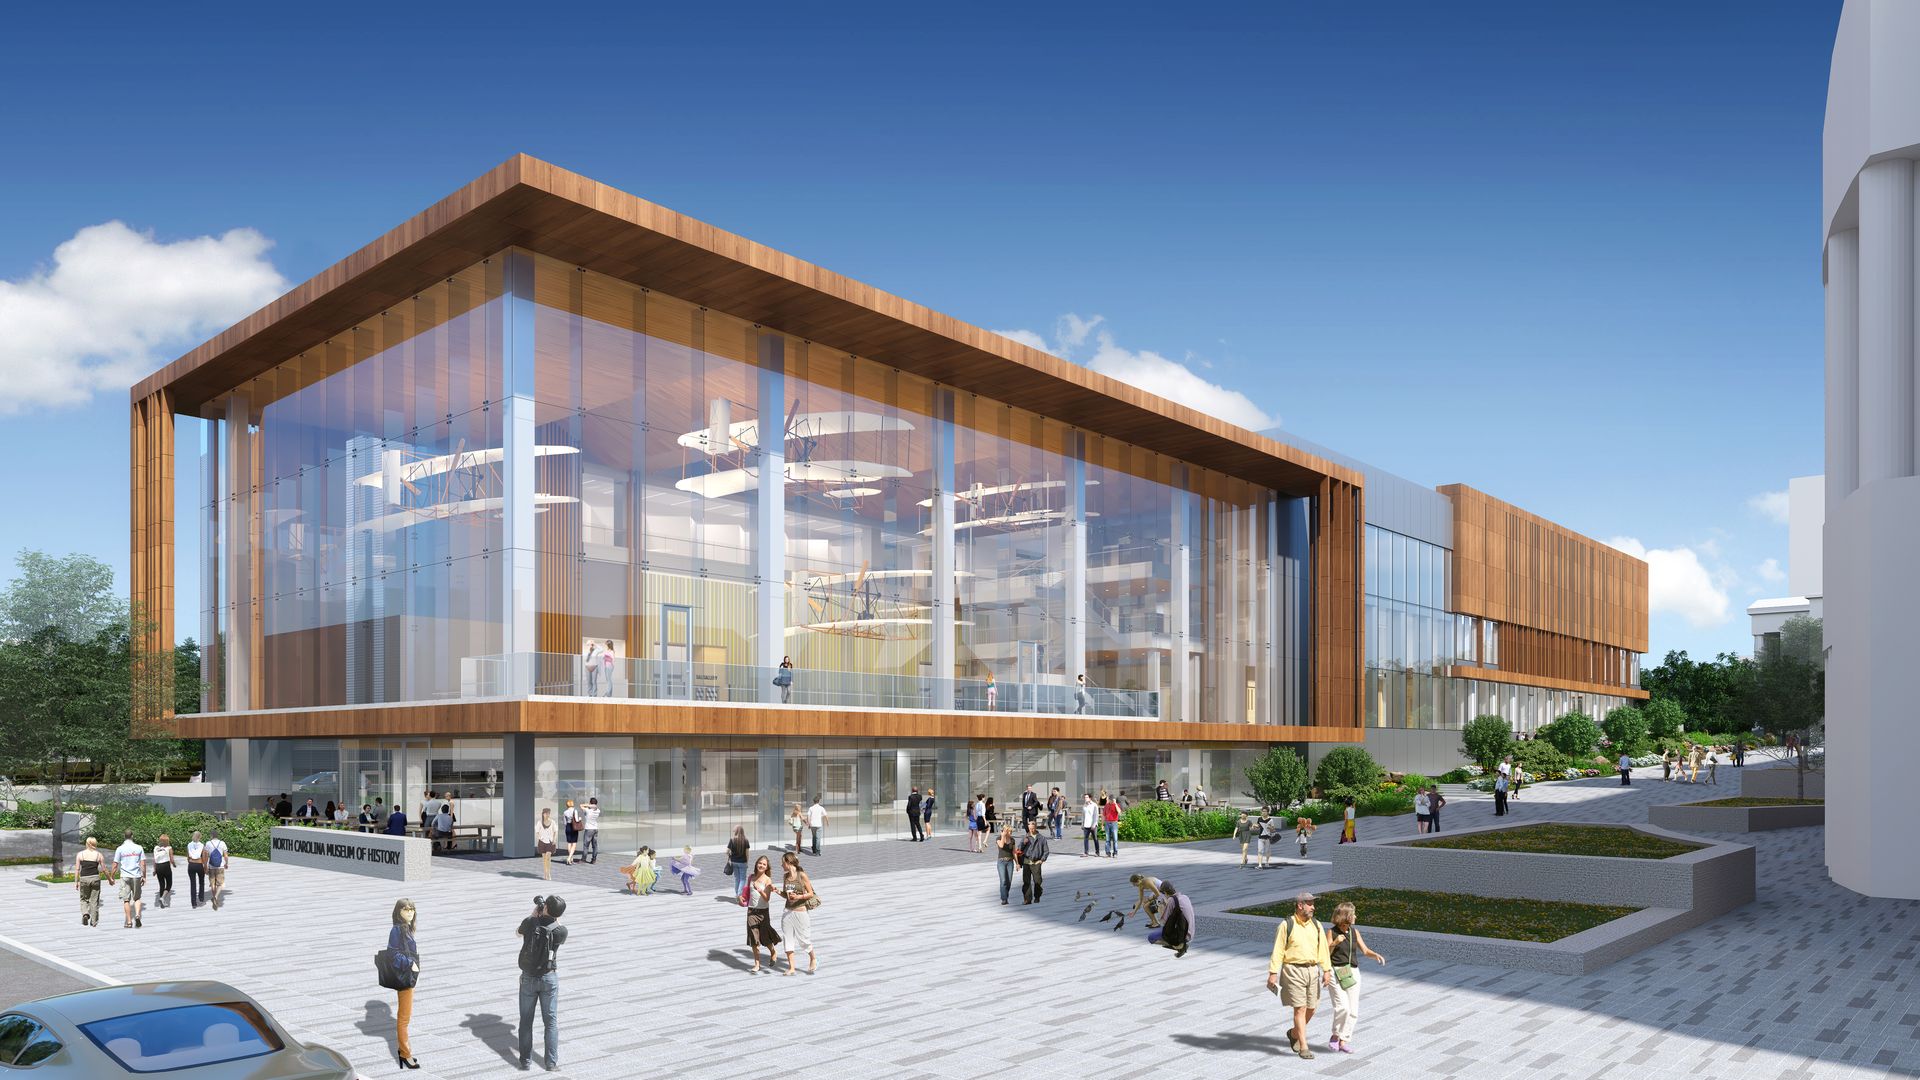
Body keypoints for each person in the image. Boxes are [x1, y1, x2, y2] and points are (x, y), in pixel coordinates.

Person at [1266, 891, 1332, 1060]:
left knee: (1312, 1008)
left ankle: (1294, 1033)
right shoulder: (1286, 925)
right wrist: (1273, 973)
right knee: (1300, 1008)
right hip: (1293, 970)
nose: (1313, 907)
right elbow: (1278, 950)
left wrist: (1326, 970)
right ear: (1300, 905)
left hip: (1312, 970)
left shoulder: (1316, 925)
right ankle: (1303, 1045)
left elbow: (1323, 949)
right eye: (1310, 903)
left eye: (1313, 904)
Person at [516, 894, 568, 1072]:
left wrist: (533, 915)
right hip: (549, 978)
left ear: (544, 908)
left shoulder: (531, 922)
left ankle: (525, 1061)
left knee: (526, 1021)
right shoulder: (561, 930)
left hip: (529, 977)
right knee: (551, 1022)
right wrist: (553, 917)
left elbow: (517, 933)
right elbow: (557, 930)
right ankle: (551, 1063)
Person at [1326, 900, 1386, 1054]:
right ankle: (1335, 1035)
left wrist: (1376, 955)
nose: (1356, 917)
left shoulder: (1354, 932)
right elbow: (1324, 953)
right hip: (1335, 971)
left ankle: (1344, 1040)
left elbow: (1365, 951)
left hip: (1352, 972)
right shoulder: (1331, 932)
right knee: (1342, 1007)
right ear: (1345, 916)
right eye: (1353, 914)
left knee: (1353, 1010)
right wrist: (1334, 943)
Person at [387, 898, 421, 1071]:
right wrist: (410, 963)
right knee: (404, 1018)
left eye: (412, 909)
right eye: (405, 909)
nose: (409, 912)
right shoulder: (397, 930)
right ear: (398, 912)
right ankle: (405, 1054)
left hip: (408, 977)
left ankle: (404, 1051)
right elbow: (392, 955)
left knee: (404, 1017)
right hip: (404, 977)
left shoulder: (405, 928)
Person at [779, 852, 817, 975]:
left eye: (783, 862)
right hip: (787, 912)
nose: (781, 865)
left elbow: (810, 893)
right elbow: (787, 895)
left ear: (788, 862)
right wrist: (778, 891)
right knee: (787, 938)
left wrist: (799, 896)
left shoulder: (802, 876)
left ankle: (813, 958)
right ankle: (792, 968)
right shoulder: (785, 877)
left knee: (804, 939)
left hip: (800, 912)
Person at [744, 856, 781, 972]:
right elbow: (746, 894)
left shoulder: (767, 880)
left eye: (764, 864)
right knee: (754, 938)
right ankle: (757, 964)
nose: (761, 865)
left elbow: (767, 899)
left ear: (766, 867)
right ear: (756, 864)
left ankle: (773, 952)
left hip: (763, 912)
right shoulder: (751, 877)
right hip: (751, 912)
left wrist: (760, 890)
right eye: (760, 863)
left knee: (764, 937)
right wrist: (741, 899)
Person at [1147, 880, 1194, 957]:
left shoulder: (1171, 900)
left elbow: (1164, 923)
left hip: (1182, 935)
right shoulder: (1185, 897)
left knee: (1151, 938)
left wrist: (1160, 908)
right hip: (1190, 932)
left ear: (1165, 892)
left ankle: (1179, 946)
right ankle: (1179, 945)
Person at [113, 829, 147, 929]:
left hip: (125, 876)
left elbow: (115, 864)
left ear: (124, 836)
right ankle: (137, 915)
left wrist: (111, 876)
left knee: (126, 900)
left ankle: (128, 921)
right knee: (137, 898)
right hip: (136, 876)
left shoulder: (120, 849)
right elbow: (143, 864)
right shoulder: (139, 847)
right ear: (132, 836)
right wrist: (144, 876)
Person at [73, 837, 105, 928]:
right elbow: (104, 869)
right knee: (94, 901)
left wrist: (76, 881)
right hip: (95, 878)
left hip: (84, 878)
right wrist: (110, 879)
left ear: (87, 844)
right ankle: (94, 922)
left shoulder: (80, 855)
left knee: (84, 899)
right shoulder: (99, 855)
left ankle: (85, 914)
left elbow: (77, 869)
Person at [1018, 819, 1050, 904]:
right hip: (1026, 862)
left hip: (1036, 862)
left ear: (1035, 827)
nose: (1031, 830)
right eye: (1029, 828)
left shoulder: (1041, 838)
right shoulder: (1025, 837)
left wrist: (1042, 860)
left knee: (1037, 881)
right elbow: (1019, 850)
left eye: (1032, 828)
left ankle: (1037, 896)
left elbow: (1046, 851)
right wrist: (1023, 844)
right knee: (1026, 882)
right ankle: (1027, 899)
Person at [204, 828, 230, 911]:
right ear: (217, 835)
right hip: (220, 866)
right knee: (220, 883)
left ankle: (213, 895)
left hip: (211, 866)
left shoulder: (208, 843)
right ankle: (216, 896)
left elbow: (205, 855)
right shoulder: (222, 843)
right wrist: (226, 863)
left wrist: (205, 865)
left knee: (212, 883)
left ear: (211, 835)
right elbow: (225, 855)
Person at [994, 824, 1017, 905]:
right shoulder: (999, 838)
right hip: (1001, 862)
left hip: (1010, 862)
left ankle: (1005, 895)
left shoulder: (1012, 840)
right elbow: (1001, 845)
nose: (1010, 833)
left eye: (1011, 831)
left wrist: (1017, 863)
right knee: (1003, 880)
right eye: (1009, 831)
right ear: (1005, 831)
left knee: (1009, 881)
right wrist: (1003, 836)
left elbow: (1014, 852)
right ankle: (1004, 899)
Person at [185, 830, 208, 909]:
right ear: (199, 837)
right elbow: (204, 857)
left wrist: (190, 861)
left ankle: (193, 903)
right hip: (199, 864)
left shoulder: (189, 844)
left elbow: (187, 856)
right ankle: (201, 899)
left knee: (193, 884)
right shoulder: (202, 845)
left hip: (191, 864)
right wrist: (205, 866)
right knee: (201, 882)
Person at [726, 827, 751, 899]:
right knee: (742, 879)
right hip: (743, 862)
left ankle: (737, 894)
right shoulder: (746, 840)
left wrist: (730, 855)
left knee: (737, 878)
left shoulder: (732, 840)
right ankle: (739, 895)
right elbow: (747, 854)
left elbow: (726, 852)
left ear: (736, 831)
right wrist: (747, 862)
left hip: (734, 862)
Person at [152, 833, 174, 907]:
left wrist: (154, 870)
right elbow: (171, 859)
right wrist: (174, 864)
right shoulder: (169, 848)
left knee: (161, 884)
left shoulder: (156, 848)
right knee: (169, 884)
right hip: (166, 866)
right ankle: (163, 898)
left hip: (158, 867)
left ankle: (162, 901)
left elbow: (155, 860)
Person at [535, 807, 557, 880]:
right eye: (545, 813)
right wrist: (540, 838)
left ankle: (548, 873)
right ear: (543, 814)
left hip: (550, 842)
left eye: (548, 813)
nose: (547, 815)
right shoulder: (539, 822)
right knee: (544, 859)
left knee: (548, 857)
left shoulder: (553, 822)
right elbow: (537, 831)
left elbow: (555, 831)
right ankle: (545, 873)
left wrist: (554, 839)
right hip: (542, 842)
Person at [580, 797, 600, 864]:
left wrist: (589, 805)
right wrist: (593, 805)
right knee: (595, 845)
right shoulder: (598, 811)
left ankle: (583, 859)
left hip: (589, 829)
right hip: (595, 829)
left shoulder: (587, 810)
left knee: (586, 845)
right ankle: (594, 859)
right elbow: (595, 807)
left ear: (590, 803)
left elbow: (581, 805)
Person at [560, 799, 580, 865]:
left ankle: (571, 859)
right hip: (574, 827)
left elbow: (564, 822)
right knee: (574, 843)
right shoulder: (575, 810)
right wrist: (580, 819)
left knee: (569, 843)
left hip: (568, 827)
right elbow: (577, 820)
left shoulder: (565, 812)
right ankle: (569, 858)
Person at [1101, 792, 1121, 857]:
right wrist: (1102, 824)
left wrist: (1115, 804)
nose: (1111, 801)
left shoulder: (1116, 805)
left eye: (1113, 800)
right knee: (1107, 839)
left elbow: (1119, 812)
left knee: (1115, 839)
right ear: (1109, 799)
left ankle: (1115, 853)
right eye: (1111, 800)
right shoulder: (1106, 806)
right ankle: (1108, 853)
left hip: (1114, 823)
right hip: (1107, 823)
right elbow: (1103, 815)